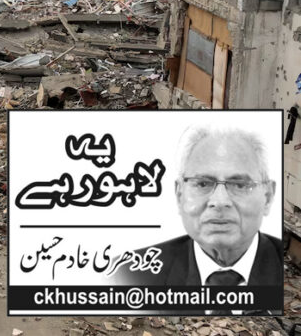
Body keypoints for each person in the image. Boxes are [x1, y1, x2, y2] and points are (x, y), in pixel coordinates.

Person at [118, 126, 280, 295]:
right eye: (203, 184)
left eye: (239, 185)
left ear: (268, 197)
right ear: (179, 195)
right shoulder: (129, 278)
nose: (220, 201)